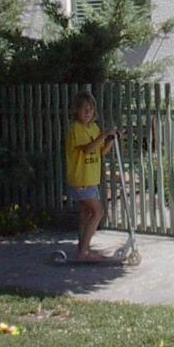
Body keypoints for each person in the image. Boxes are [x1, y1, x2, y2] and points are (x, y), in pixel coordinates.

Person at [65, 91, 117, 261]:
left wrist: (109, 140)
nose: (88, 113)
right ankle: (83, 252)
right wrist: (102, 136)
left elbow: (100, 151)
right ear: (76, 111)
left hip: (91, 178)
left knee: (86, 213)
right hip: (81, 178)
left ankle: (82, 248)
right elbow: (87, 149)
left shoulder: (94, 128)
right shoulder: (76, 128)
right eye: (84, 109)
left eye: (90, 109)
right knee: (98, 211)